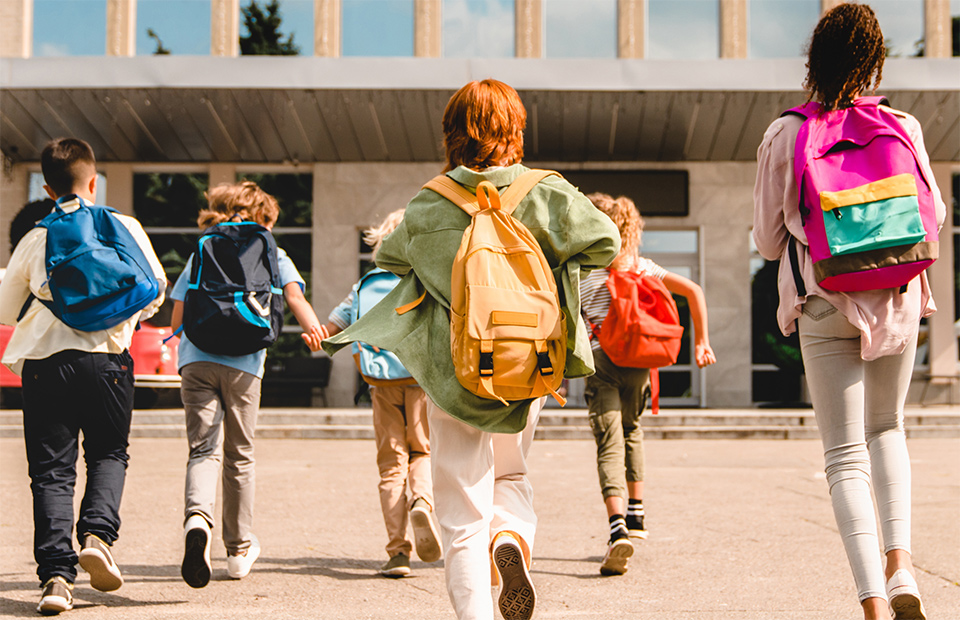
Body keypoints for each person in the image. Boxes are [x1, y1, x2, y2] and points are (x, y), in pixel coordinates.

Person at [324, 79, 620, 620]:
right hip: (528, 362)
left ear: (451, 133)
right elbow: (607, 241)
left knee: (460, 510)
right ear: (515, 129)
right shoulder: (546, 190)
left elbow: (390, 260)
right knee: (511, 474)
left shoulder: (428, 202)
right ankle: (508, 537)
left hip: (452, 370)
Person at [752, 5, 945, 620]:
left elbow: (765, 240)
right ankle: (902, 568)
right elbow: (932, 215)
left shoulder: (786, 133)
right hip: (896, 297)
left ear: (815, 59)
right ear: (875, 61)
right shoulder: (902, 125)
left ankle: (870, 603)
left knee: (843, 455)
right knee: (887, 429)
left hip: (825, 295)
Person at [0, 138, 166, 615]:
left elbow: (7, 311)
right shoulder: (123, 226)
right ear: (95, 181)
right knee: (109, 453)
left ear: (48, 187)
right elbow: (153, 290)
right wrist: (114, 316)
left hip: (46, 364)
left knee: (51, 471)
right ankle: (97, 535)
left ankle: (56, 578)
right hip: (109, 362)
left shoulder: (38, 235)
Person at [169, 181, 325, 588]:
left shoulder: (204, 245)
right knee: (240, 455)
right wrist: (314, 332)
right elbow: (294, 298)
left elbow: (177, 318)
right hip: (245, 364)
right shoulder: (273, 250)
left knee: (203, 450)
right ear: (264, 218)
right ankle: (237, 550)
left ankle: (196, 522)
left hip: (196, 360)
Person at [580, 192, 716, 576]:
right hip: (640, 363)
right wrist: (702, 342)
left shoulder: (584, 272)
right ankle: (637, 514)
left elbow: (568, 325)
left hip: (603, 361)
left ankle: (617, 526)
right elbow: (694, 291)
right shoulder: (642, 266)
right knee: (632, 429)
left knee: (609, 440)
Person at [321, 208, 441, 579]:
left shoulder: (364, 285)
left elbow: (332, 328)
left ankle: (397, 552)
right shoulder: (423, 280)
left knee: (392, 465)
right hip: (420, 378)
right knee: (422, 450)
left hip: (379, 383)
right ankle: (422, 499)